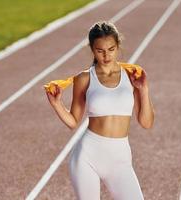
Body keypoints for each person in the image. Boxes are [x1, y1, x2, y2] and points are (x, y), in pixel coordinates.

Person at [45, 21, 155, 200]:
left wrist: (144, 90)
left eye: (111, 49)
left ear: (118, 46)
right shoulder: (84, 78)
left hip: (120, 159)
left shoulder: (132, 76)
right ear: (92, 49)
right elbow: (73, 121)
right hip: (88, 156)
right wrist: (56, 104)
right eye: (100, 50)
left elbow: (146, 122)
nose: (106, 55)